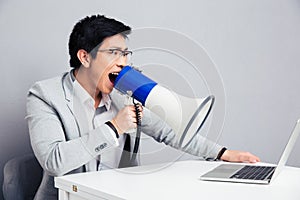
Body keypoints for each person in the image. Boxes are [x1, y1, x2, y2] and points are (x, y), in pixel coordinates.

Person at [26, 14, 260, 200]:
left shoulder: (123, 95)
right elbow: (53, 161)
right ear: (85, 57)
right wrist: (114, 127)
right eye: (114, 53)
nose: (123, 62)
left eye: (125, 54)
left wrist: (223, 153)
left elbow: (169, 132)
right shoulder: (45, 95)